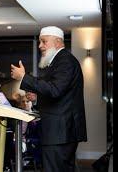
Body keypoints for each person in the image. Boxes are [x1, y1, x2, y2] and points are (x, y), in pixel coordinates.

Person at [10, 26, 87, 172]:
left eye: (44, 42)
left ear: (58, 42)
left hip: (60, 132)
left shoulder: (65, 61)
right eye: (40, 42)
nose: (40, 46)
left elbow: (55, 90)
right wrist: (37, 98)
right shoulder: (60, 61)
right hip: (60, 132)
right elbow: (58, 94)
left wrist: (24, 77)